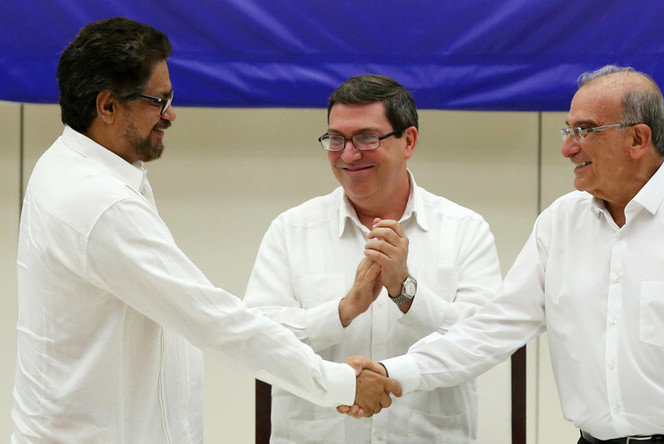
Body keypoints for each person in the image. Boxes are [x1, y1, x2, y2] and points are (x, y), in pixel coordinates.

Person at [350, 66, 664, 443]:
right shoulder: (559, 224)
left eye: (584, 131)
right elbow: (488, 332)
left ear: (638, 139)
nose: (567, 147)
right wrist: (393, 371)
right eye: (568, 130)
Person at [12, 17, 399, 443]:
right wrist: (339, 384)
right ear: (107, 107)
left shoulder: (71, 165)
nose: (170, 114)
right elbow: (212, 320)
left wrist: (340, 316)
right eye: (157, 101)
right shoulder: (100, 203)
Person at [244, 74, 502, 442]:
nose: (348, 154)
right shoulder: (291, 230)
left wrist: (406, 292)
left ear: (408, 140)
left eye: (366, 138)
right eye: (336, 139)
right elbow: (258, 340)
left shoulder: (463, 229)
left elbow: (484, 341)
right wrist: (344, 310)